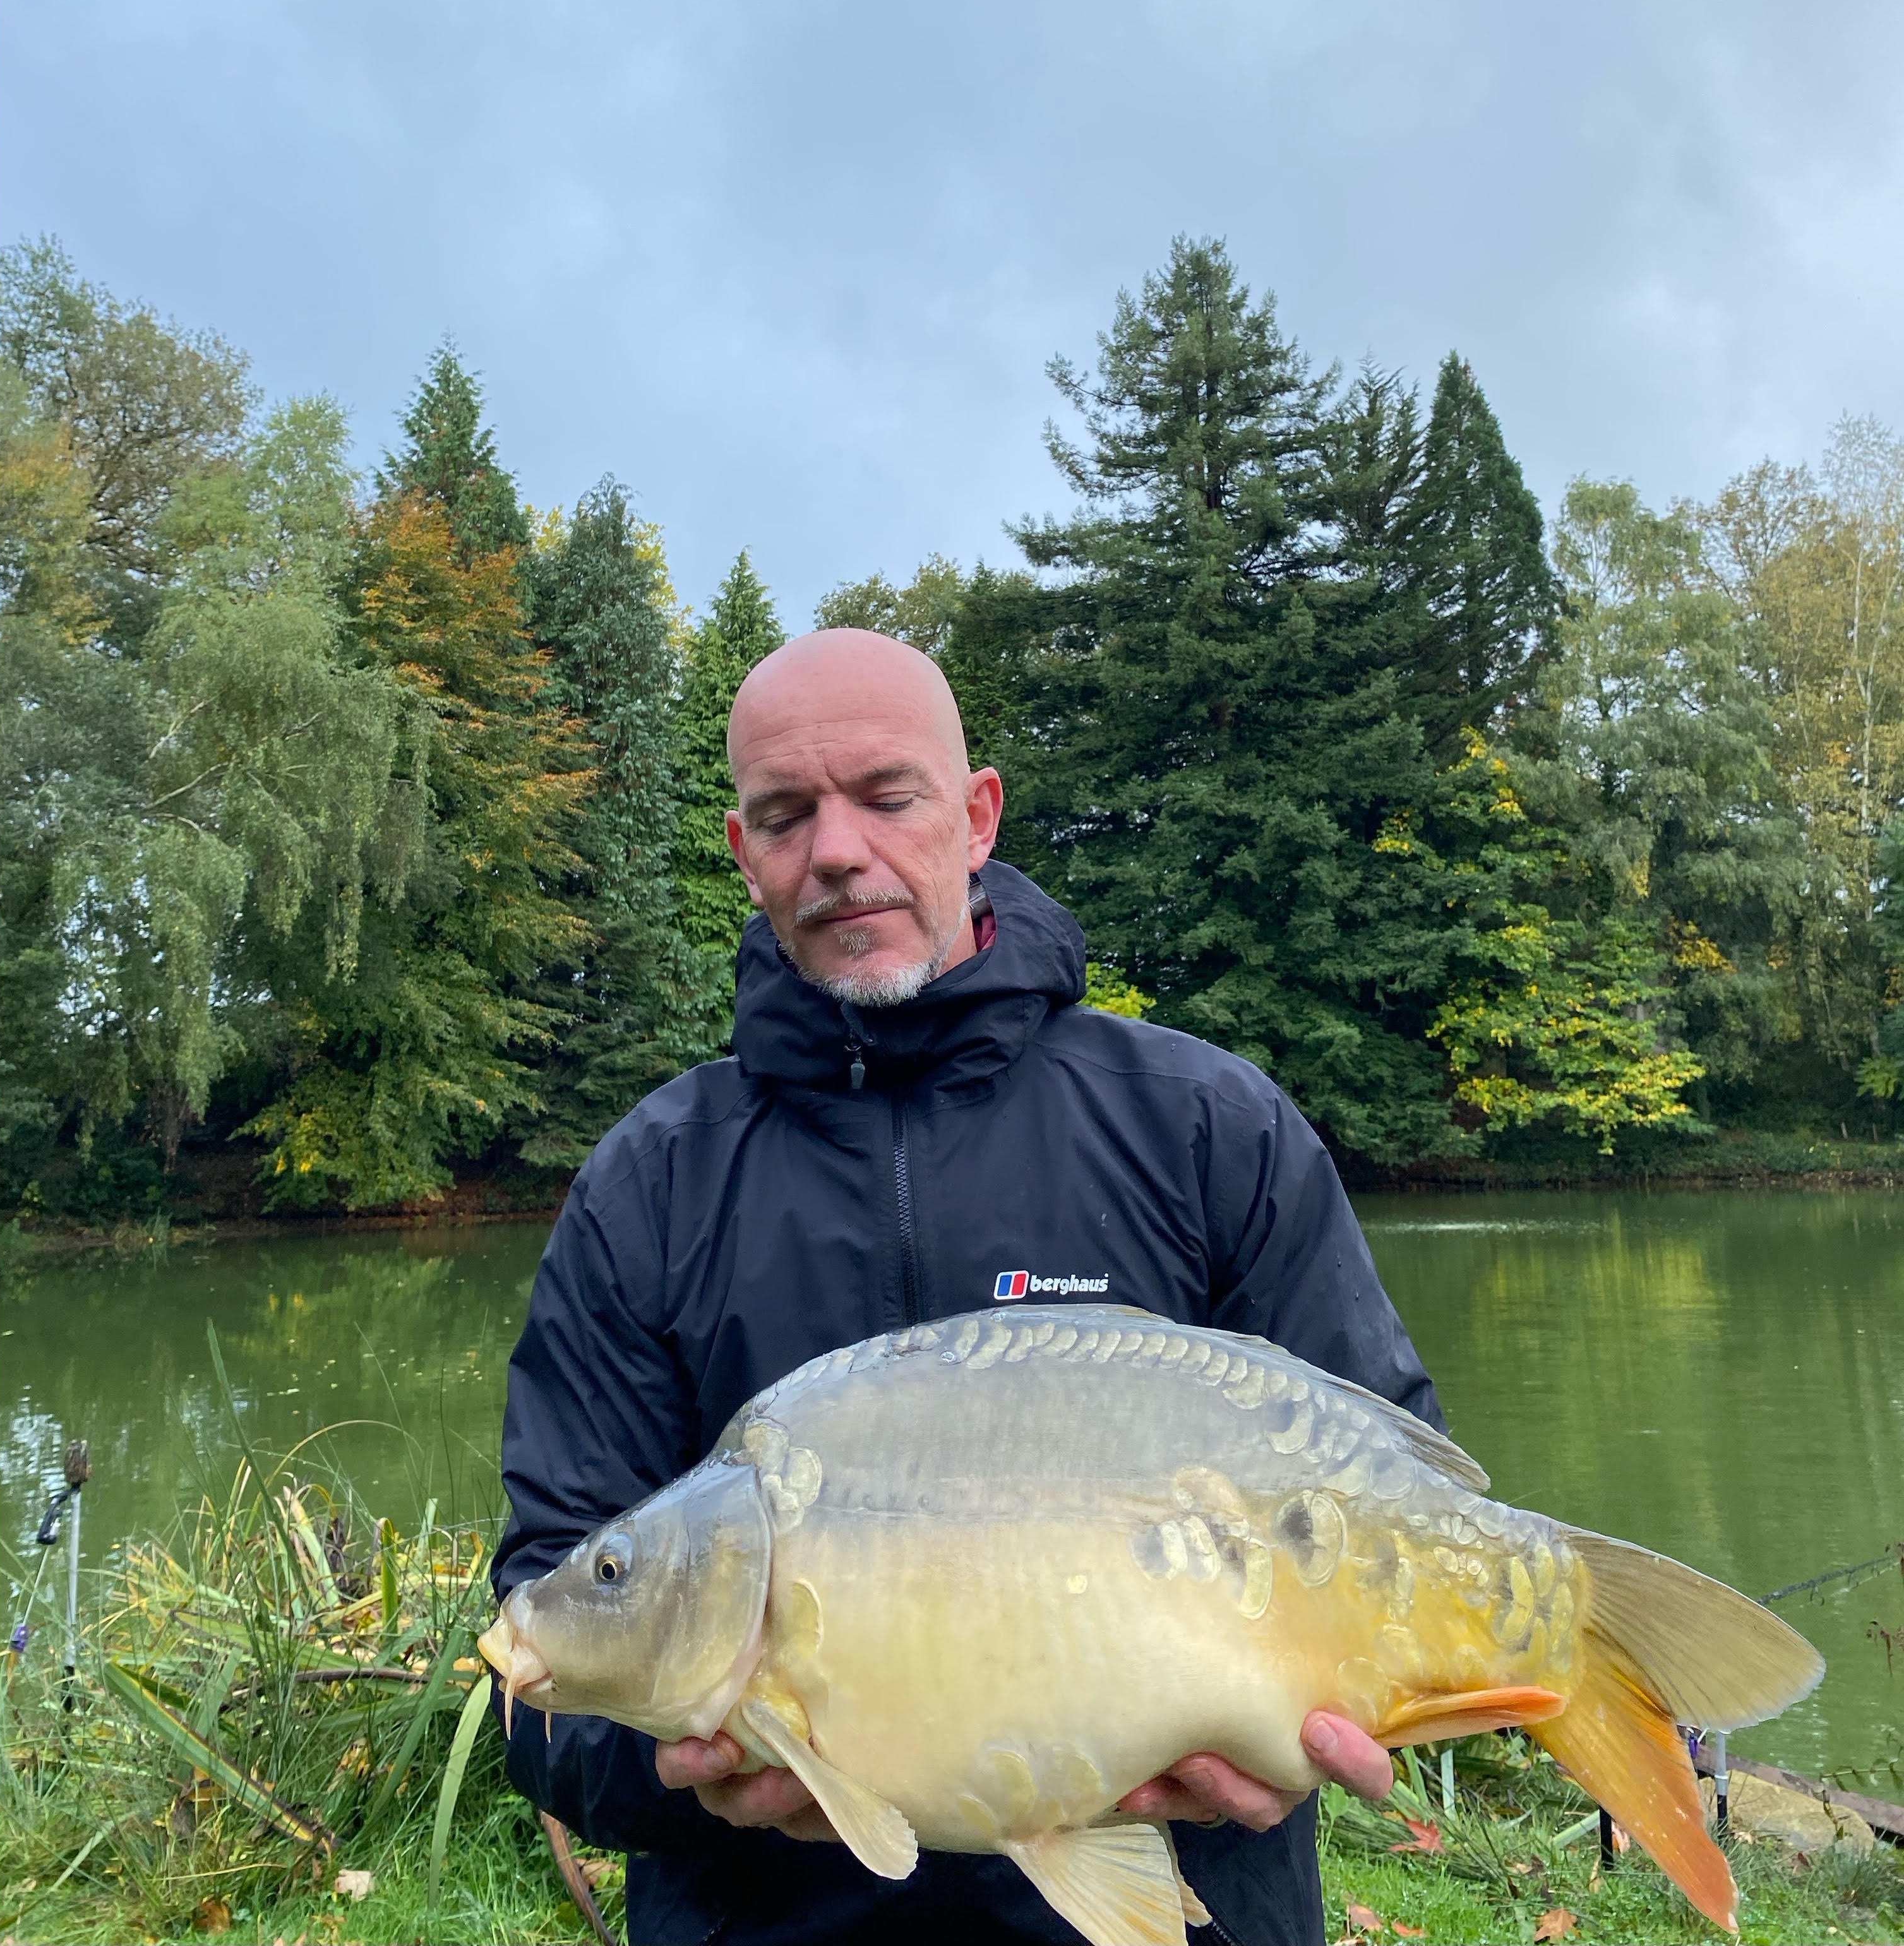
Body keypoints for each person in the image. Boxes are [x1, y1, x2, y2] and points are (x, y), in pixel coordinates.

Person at [495, 628, 1442, 1945]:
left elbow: (1398, 1500)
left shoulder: (1208, 1129)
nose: (837, 851)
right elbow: (547, 1647)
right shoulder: (649, 1186)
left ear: (978, 814)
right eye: (787, 816)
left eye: (887, 797)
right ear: (743, 852)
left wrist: (1316, 1730)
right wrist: (676, 1770)